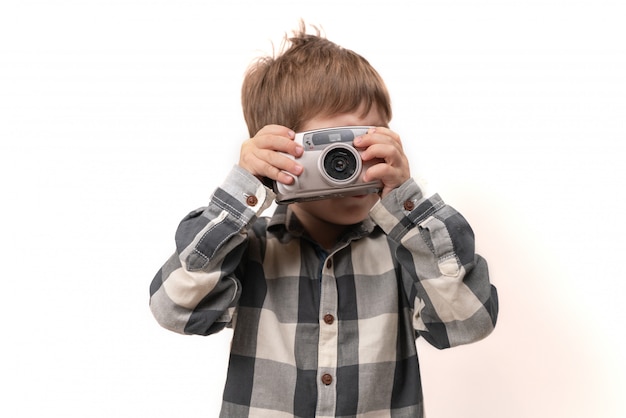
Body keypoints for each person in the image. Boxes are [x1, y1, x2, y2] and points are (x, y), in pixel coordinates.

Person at [149, 23, 499, 418]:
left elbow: (469, 321)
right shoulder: (248, 248)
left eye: (367, 141)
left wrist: (407, 203)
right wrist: (244, 189)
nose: (352, 164)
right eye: (334, 147)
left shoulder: (403, 251)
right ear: (279, 151)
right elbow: (175, 309)